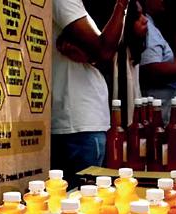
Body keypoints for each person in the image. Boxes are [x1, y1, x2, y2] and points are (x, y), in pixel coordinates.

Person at [52, 0, 130, 187]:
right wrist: (121, 5)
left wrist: (92, 55)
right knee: (83, 199)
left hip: (77, 121)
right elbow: (105, 50)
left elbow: (100, 53)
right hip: (77, 122)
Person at [139, 0, 176, 122]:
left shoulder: (152, 26)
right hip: (158, 111)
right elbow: (153, 69)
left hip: (167, 108)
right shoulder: (146, 26)